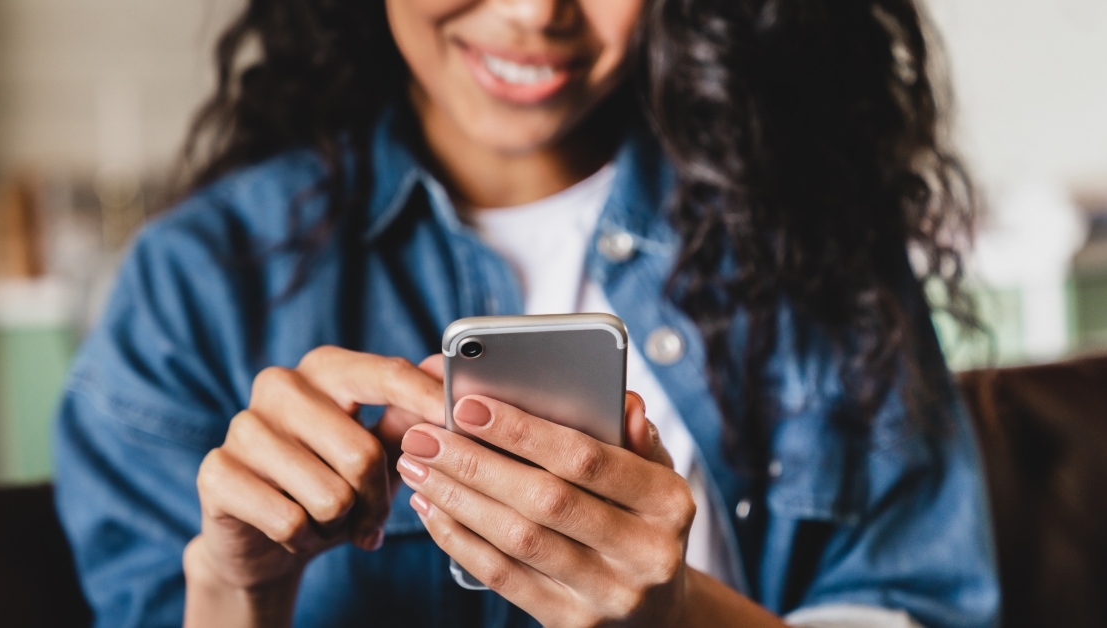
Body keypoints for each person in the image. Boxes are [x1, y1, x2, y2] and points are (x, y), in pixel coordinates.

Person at [52, 0, 1000, 626]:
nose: (533, 10)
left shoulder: (809, 233)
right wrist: (233, 588)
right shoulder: (199, 282)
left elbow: (917, 599)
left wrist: (677, 614)